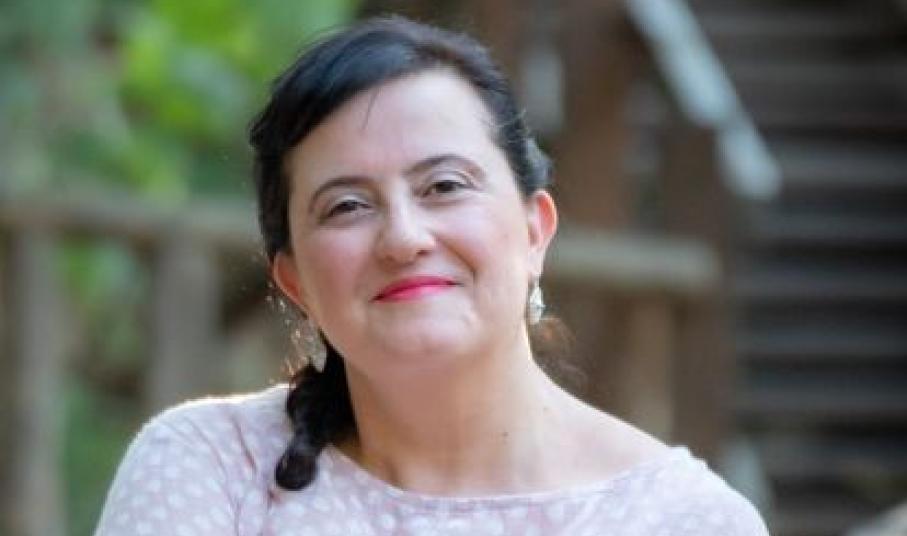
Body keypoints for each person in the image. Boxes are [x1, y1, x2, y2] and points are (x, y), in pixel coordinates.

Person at [95, 16, 768, 535]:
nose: (404, 239)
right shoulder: (214, 470)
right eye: (347, 206)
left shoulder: (680, 520)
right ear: (295, 283)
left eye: (444, 186)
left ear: (534, 230)